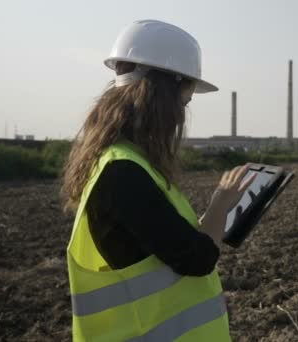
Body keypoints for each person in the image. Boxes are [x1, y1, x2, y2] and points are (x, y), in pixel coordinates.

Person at [61, 20, 253, 341]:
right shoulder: (123, 173)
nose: (182, 113)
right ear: (163, 95)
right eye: (184, 100)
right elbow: (196, 257)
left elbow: (164, 244)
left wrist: (216, 216)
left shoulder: (120, 161)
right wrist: (221, 200)